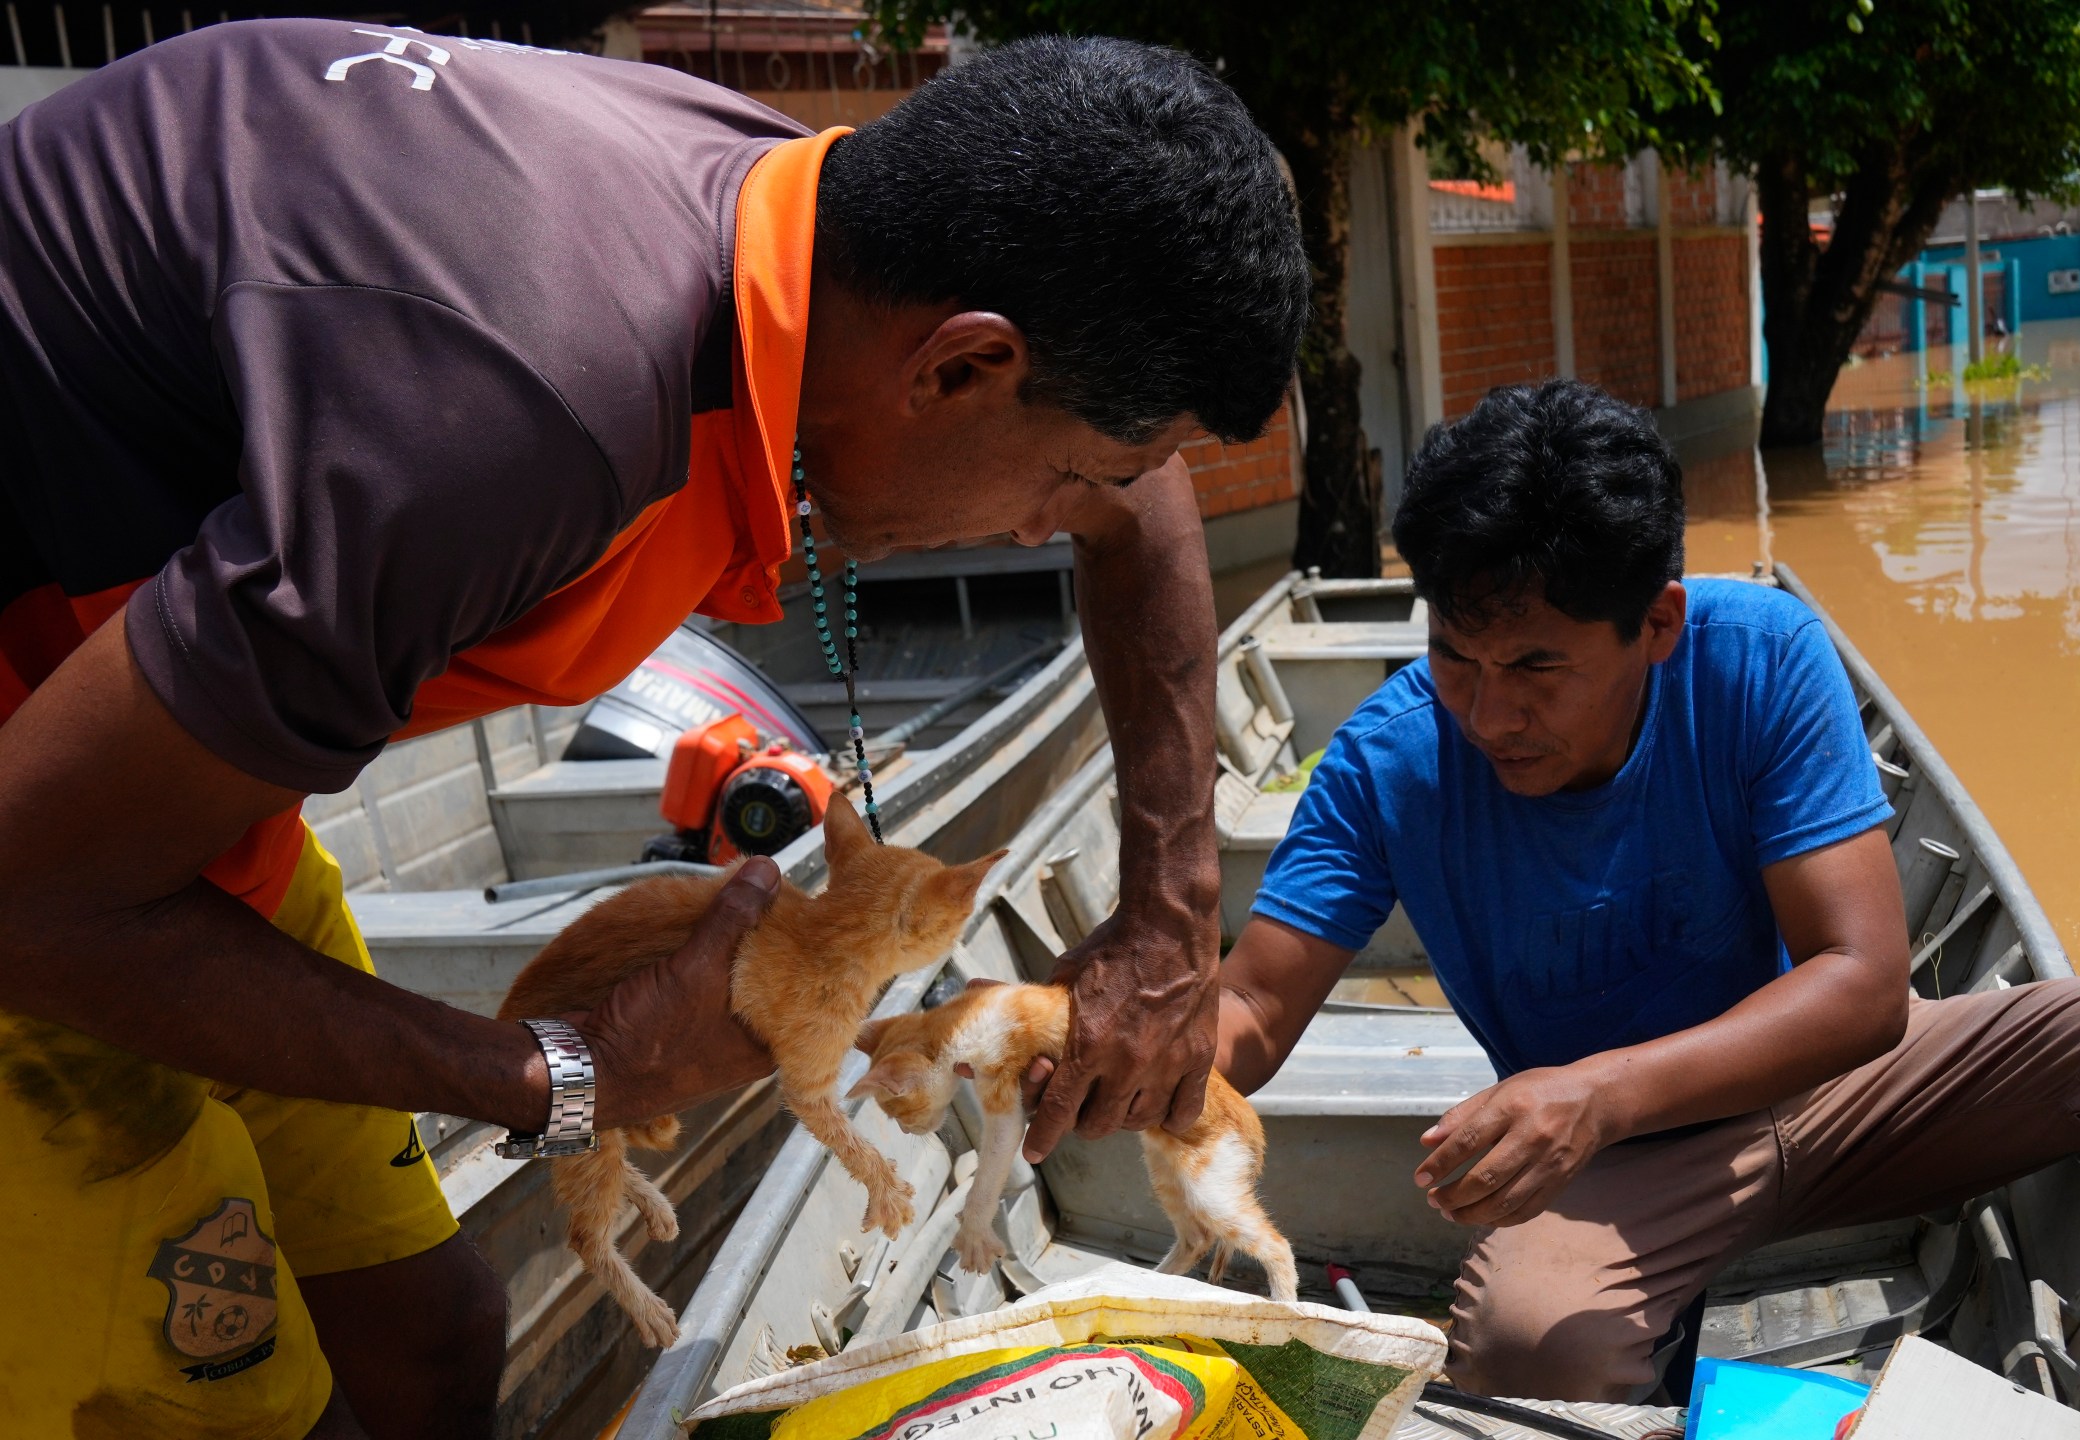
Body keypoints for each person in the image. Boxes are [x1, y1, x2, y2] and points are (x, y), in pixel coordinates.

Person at [0, 24, 1303, 1439]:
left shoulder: (808, 223)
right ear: (957, 368)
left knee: (434, 1337)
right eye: (1066, 477)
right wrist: (578, 1075)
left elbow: (1144, 500)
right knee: (240, 1407)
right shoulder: (519, 426)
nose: (1054, 523)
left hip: (158, 794)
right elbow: (36, 895)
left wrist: (1172, 923)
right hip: (52, 854)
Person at [1213, 382, 2080, 1407]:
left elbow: (1862, 986)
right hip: (1622, 1162)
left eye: (1537, 665)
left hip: (1834, 1090)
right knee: (1533, 1347)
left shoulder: (1758, 655)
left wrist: (1596, 1090)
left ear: (1657, 623)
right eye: (1452, 654)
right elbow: (1254, 1007)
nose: (1488, 713)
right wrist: (1098, 1050)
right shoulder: (1388, 760)